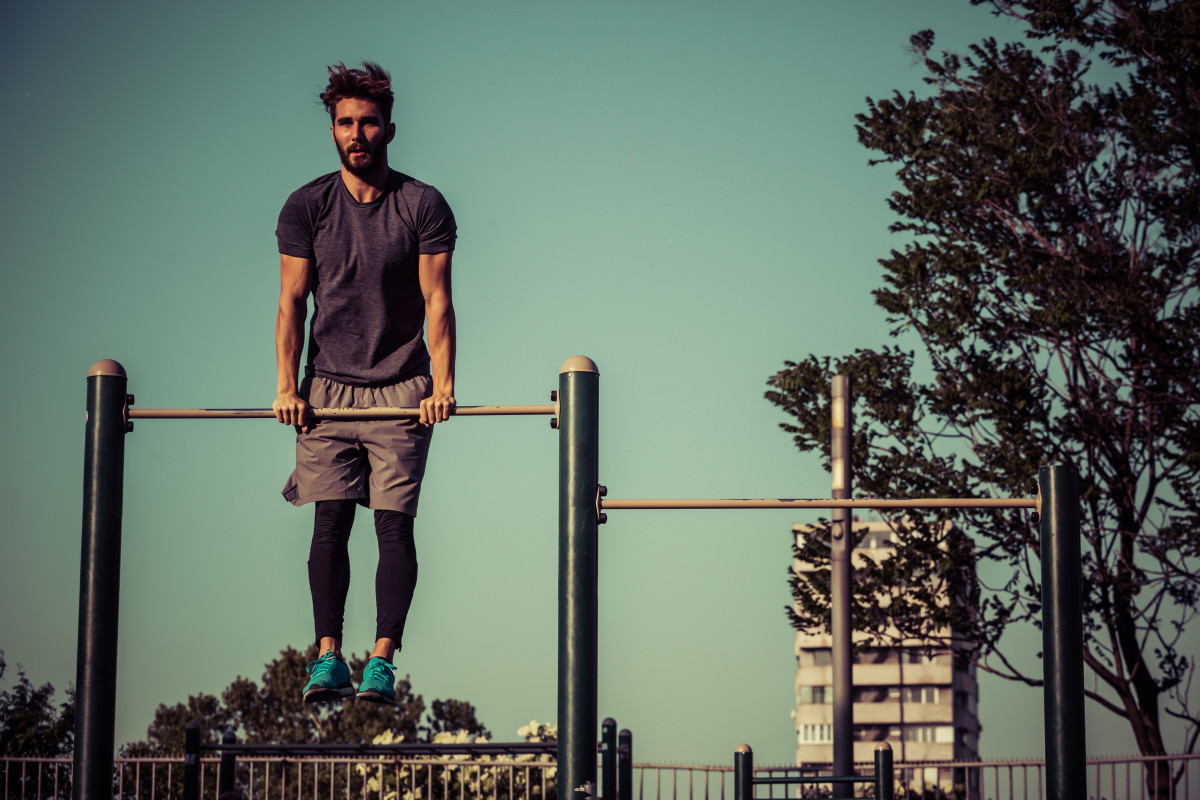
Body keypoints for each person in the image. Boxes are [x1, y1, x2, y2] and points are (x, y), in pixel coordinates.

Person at [272, 61, 457, 705]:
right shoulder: (307, 206)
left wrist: (444, 384)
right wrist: (286, 387)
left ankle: (380, 659)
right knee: (329, 522)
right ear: (332, 132)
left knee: (392, 526)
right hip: (327, 387)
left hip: (403, 385)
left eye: (369, 123)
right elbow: (292, 302)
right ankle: (328, 657)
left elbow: (438, 301)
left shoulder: (422, 205)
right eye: (346, 123)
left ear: (389, 129)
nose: (358, 134)